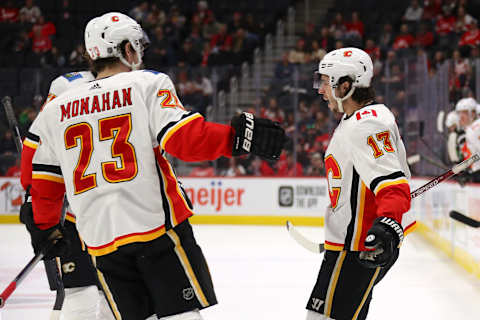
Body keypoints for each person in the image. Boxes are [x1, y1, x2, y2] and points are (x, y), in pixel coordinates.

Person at [23, 12, 285, 320]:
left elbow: (45, 184)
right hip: (155, 230)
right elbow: (184, 140)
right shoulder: (146, 84)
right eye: (137, 46)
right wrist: (237, 138)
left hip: (101, 242)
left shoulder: (56, 109)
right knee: (181, 314)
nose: (140, 54)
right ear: (126, 49)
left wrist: (44, 228)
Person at [307, 47, 416, 320]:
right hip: (351, 246)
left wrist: (389, 221)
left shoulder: (366, 124)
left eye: (325, 82)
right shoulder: (356, 119)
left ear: (345, 85)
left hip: (357, 248)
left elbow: (392, 184)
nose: (321, 90)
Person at [21, 70, 117, 320]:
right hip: (99, 212)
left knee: (99, 293)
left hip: (91, 211)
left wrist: (34, 199)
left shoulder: (64, 93)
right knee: (98, 292)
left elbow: (32, 155)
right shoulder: (120, 90)